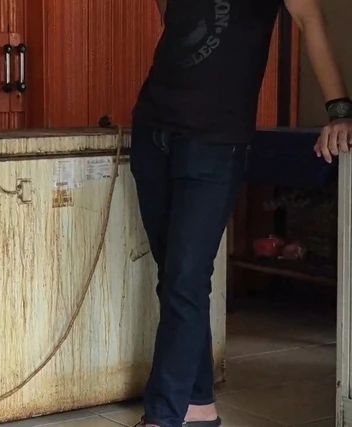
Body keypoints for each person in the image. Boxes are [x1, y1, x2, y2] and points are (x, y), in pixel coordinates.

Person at [131, 0, 352, 425]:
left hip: (216, 140)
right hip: (153, 129)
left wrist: (339, 111)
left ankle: (163, 415)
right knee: (174, 277)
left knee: (185, 277)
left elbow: (310, 20)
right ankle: (198, 404)